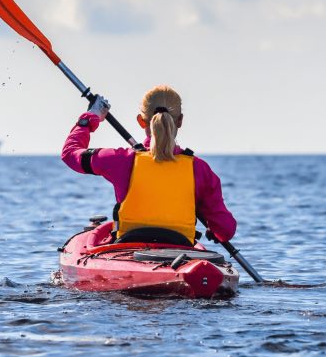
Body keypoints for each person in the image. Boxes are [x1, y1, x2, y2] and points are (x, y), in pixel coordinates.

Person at [61, 85, 236, 245]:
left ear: (141, 121)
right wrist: (214, 231)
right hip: (180, 248)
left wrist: (91, 117)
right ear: (180, 121)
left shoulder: (121, 160)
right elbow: (225, 229)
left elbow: (70, 154)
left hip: (127, 247)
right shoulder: (200, 169)